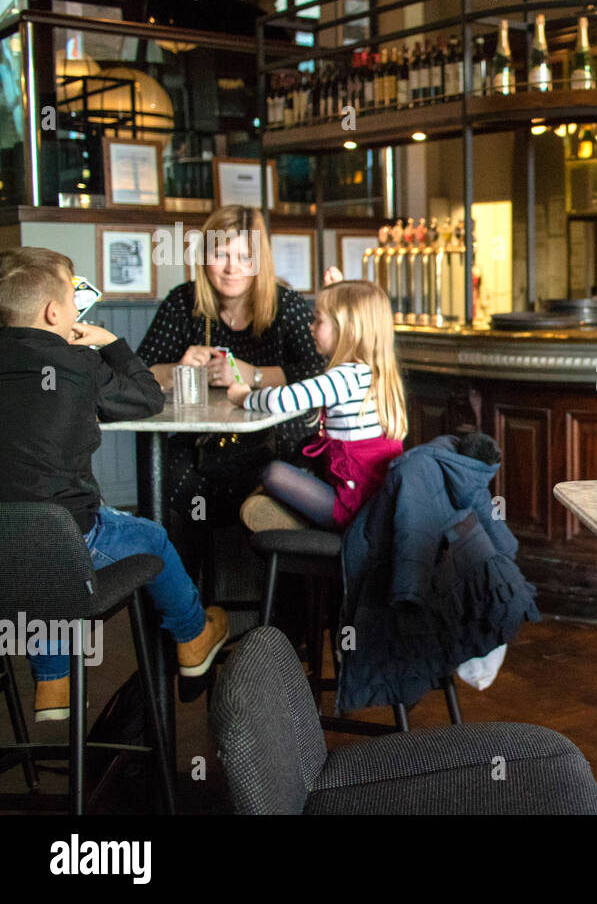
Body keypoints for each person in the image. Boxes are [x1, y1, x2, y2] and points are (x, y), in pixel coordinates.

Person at [0, 248, 227, 721]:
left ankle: (53, 683)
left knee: (33, 548)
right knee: (151, 539)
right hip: (71, 539)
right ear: (55, 312)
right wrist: (111, 343)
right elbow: (146, 398)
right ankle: (193, 637)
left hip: (7, 554)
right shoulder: (77, 364)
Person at [134, 206, 325, 554]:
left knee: (261, 479)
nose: (231, 267)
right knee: (168, 473)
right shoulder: (183, 301)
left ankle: (251, 578)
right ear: (204, 258)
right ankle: (195, 591)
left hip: (273, 441)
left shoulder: (286, 305)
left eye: (243, 256)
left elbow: (317, 373)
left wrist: (249, 373)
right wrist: (179, 369)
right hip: (205, 443)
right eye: (220, 254)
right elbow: (137, 375)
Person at [234, 280, 407, 532]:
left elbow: (279, 400)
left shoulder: (344, 378)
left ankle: (296, 523)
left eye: (318, 320)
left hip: (352, 510)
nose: (311, 327)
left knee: (272, 472)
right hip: (371, 503)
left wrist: (243, 396)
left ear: (347, 328)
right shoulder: (372, 374)